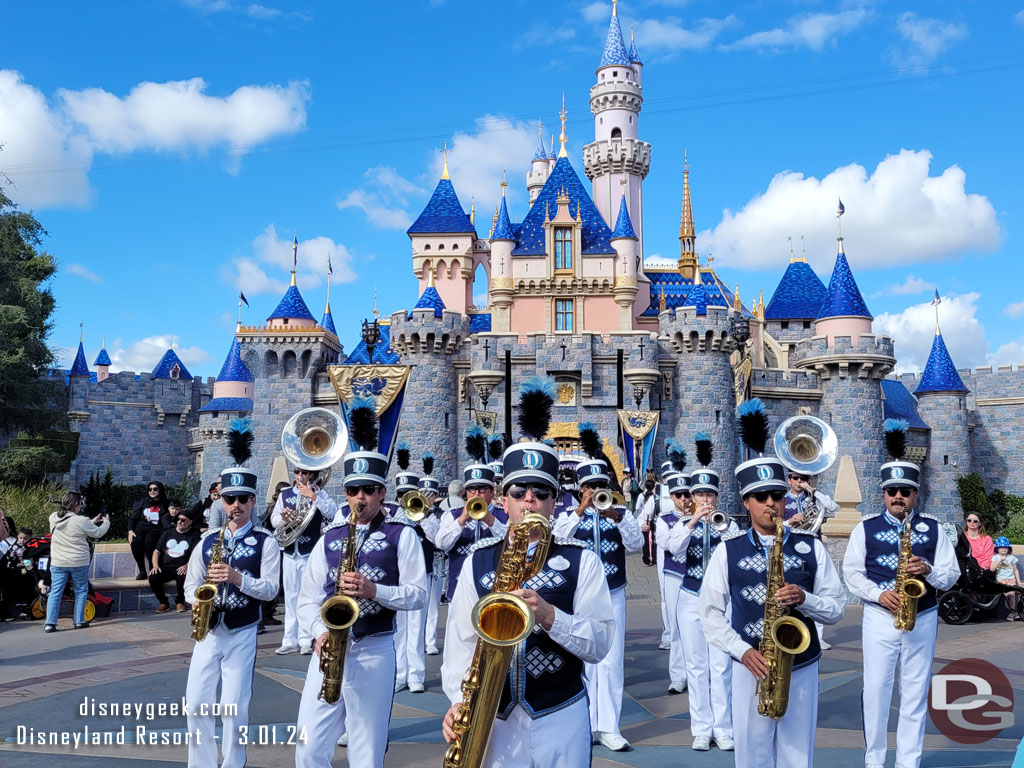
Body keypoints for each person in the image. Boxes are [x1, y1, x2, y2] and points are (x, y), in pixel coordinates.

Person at [441, 376, 614, 767]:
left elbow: (601, 642)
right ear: (503, 499)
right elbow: (460, 645)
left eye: (541, 492)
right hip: (495, 719)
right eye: (519, 492)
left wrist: (550, 616)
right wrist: (457, 703)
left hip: (560, 714)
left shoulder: (580, 559)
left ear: (555, 501)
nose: (529, 501)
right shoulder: (480, 559)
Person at [701, 399, 846, 768]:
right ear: (746, 502)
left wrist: (805, 599)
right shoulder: (727, 551)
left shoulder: (810, 546)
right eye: (762, 497)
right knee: (753, 755)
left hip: (802, 662)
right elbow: (710, 614)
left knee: (798, 756)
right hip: (750, 662)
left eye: (778, 496)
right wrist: (741, 650)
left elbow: (836, 607)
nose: (772, 504)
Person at [294, 396, 427, 768]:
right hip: (329, 648)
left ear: (382, 493)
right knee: (308, 746)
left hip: (375, 648)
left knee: (366, 750)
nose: (360, 498)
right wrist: (319, 632)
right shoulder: (331, 537)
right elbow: (306, 599)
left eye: (368, 490)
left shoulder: (403, 535)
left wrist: (374, 591)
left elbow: (417, 595)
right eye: (353, 491)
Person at [842, 419, 959, 768]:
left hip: (921, 617)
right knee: (876, 691)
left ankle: (909, 762)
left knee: (914, 694)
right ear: (883, 493)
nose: (898, 497)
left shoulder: (934, 529)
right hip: (880, 617)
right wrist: (879, 595)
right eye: (892, 491)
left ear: (915, 494)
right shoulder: (866, 527)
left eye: (904, 491)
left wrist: (929, 571)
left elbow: (951, 576)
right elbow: (851, 573)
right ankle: (874, 761)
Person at [183, 418, 279, 768]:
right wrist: (197, 600)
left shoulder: (266, 542)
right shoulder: (208, 540)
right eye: (229, 499)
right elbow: (190, 583)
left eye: (241, 499)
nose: (235, 505)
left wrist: (238, 578)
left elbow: (270, 590)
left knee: (235, 706)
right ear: (221, 501)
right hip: (208, 631)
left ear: (253, 501)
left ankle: (233, 763)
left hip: (241, 630)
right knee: (195, 703)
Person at [552, 421, 641, 752]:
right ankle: (585, 723)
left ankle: (610, 726)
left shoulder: (617, 515)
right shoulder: (567, 516)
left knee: (612, 661)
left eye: (601, 486)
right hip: (580, 598)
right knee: (584, 661)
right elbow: (558, 538)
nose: (596, 492)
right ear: (579, 489)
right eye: (590, 487)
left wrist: (618, 515)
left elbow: (635, 545)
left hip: (614, 593)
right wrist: (580, 509)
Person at [661, 434, 739, 752]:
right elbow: (672, 547)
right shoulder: (681, 524)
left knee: (721, 665)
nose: (705, 500)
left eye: (710, 494)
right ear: (691, 497)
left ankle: (723, 727)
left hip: (721, 602)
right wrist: (693, 520)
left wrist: (720, 526)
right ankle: (701, 727)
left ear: (717, 498)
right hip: (690, 597)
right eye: (700, 494)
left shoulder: (728, 524)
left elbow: (738, 551)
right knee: (696, 664)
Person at [392, 442, 444, 694]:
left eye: (410, 495)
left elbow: (439, 539)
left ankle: (416, 676)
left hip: (423, 576)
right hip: (397, 580)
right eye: (402, 495)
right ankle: (400, 673)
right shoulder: (392, 516)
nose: (405, 500)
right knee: (400, 630)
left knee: (416, 627)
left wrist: (423, 516)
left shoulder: (427, 517)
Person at [270, 466, 338, 656]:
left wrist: (314, 497)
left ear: (312, 475)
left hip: (310, 552)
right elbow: (274, 519)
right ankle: (289, 639)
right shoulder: (285, 495)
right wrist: (282, 520)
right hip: (291, 551)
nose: (300, 476)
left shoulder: (320, 493)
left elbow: (334, 513)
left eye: (304, 473)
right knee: (291, 597)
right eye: (297, 472)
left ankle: (307, 639)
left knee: (309, 597)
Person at [436, 448, 508, 606]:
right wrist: (461, 520)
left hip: (495, 591)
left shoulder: (504, 515)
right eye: (472, 489)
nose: (476, 494)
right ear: (465, 492)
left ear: (491, 491)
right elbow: (441, 544)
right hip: (459, 591)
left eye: (482, 489)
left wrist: (491, 520)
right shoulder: (452, 515)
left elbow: (511, 543)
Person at [783, 471, 840, 650]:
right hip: (789, 547)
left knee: (817, 588)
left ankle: (819, 636)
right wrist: (789, 521)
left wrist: (812, 490)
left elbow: (833, 508)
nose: (800, 481)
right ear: (789, 480)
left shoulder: (814, 498)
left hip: (811, 547)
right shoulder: (782, 499)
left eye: (804, 478)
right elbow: (774, 522)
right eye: (796, 478)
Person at [45, 491, 110, 632]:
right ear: (76, 504)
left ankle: (50, 623)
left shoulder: (53, 517)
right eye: (81, 503)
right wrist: (106, 522)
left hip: (58, 562)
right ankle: (79, 621)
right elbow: (97, 533)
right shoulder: (82, 520)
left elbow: (71, 527)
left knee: (55, 591)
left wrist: (91, 521)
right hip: (78, 562)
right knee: (81, 591)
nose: (81, 505)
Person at [655, 471, 688, 690]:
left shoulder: (705, 517)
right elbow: (667, 544)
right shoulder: (664, 519)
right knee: (676, 627)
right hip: (675, 576)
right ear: (672, 497)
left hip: (697, 577)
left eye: (687, 494)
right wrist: (687, 521)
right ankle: (678, 676)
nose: (684, 500)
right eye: (678, 495)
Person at [149, 513, 200, 613]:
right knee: (153, 577)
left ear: (190, 522)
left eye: (183, 520)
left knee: (183, 577)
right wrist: (155, 566)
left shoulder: (194, 536)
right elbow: (156, 551)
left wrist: (186, 566)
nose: (180, 522)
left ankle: (180, 602)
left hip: (181, 567)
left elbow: (196, 556)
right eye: (178, 519)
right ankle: (164, 603)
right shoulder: (167, 533)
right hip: (166, 567)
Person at [128, 481, 169, 580]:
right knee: (135, 542)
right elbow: (133, 518)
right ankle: (142, 571)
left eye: (155, 489)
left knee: (149, 543)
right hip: (141, 528)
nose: (152, 491)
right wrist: (130, 530)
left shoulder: (166, 503)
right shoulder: (143, 503)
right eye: (150, 489)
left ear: (160, 490)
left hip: (155, 529)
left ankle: (152, 568)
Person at [991, 537, 1021, 619]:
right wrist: (1000, 560)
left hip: (1011, 580)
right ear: (998, 549)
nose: (1004, 549)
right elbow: (992, 569)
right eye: (1002, 547)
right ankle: (1013, 611)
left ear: (1008, 549)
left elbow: (1015, 570)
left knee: (1011, 594)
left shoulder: (1012, 558)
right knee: (1007, 594)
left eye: (1006, 547)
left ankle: (1013, 611)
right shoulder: (996, 557)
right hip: (1001, 580)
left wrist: (1018, 582)